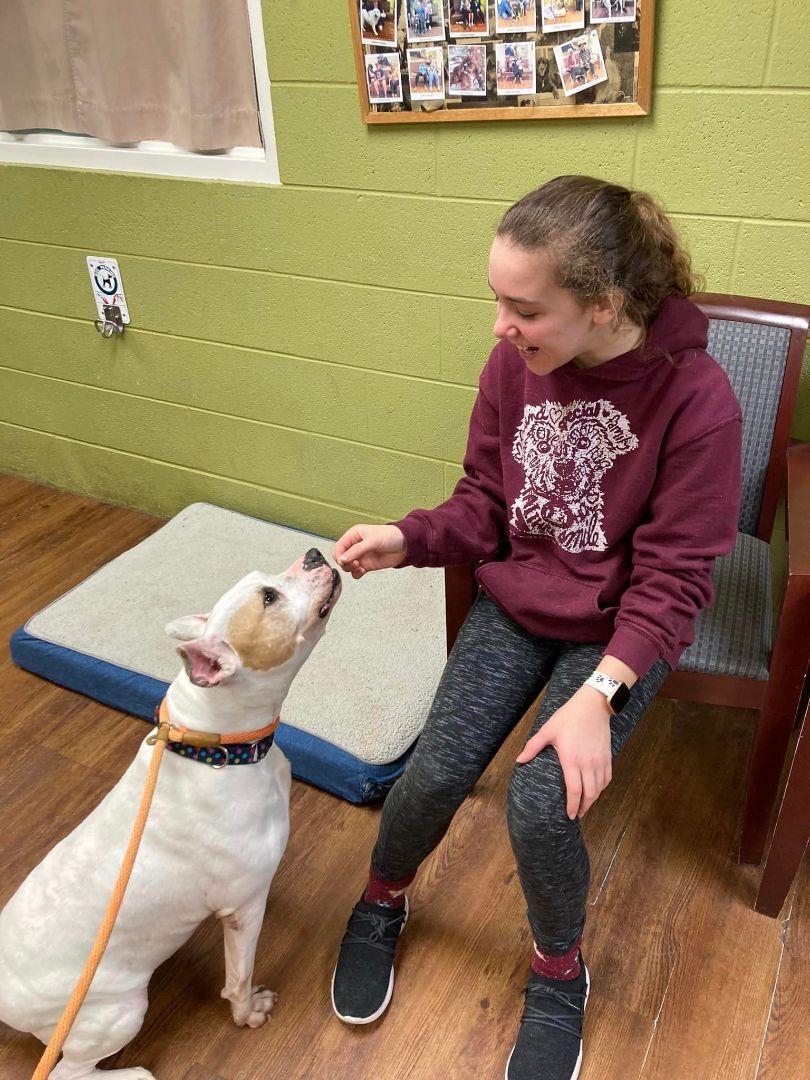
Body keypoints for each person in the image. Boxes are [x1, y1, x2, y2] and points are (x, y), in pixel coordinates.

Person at [329, 176, 742, 1080]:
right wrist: (412, 538)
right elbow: (484, 502)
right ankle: (381, 897)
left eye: (525, 308)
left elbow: (676, 578)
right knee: (435, 768)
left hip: (619, 633)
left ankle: (560, 970)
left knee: (537, 799)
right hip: (519, 603)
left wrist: (602, 693)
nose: (501, 327)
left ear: (601, 308)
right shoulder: (515, 367)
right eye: (497, 301)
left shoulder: (698, 397)